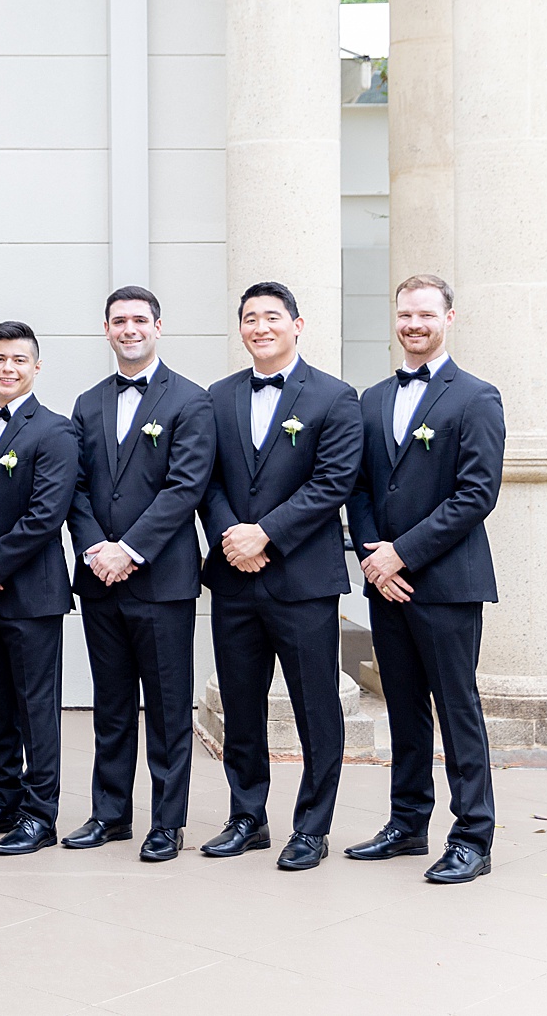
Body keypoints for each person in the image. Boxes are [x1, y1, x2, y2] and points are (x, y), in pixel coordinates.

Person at [345, 274, 505, 884]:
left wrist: (401, 554)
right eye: (405, 314)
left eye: (425, 314)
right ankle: (407, 823)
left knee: (457, 708)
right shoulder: (372, 398)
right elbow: (359, 488)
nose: (413, 324)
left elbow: (475, 495)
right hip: (384, 582)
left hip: (446, 583)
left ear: (449, 318)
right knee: (403, 708)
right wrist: (373, 558)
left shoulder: (477, 398)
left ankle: (472, 837)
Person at [197, 281, 361, 872]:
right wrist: (232, 537)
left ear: (298, 324)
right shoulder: (217, 398)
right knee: (240, 704)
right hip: (234, 577)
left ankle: (312, 827)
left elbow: (332, 482)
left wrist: (265, 534)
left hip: (303, 579)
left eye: (271, 317)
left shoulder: (336, 399)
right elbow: (206, 480)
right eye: (249, 318)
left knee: (316, 706)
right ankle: (248, 815)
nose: (260, 327)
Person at [64, 286, 216, 862]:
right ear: (107, 330)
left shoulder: (190, 401)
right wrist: (94, 549)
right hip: (100, 577)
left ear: (159, 326)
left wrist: (129, 550)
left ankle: (167, 822)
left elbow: (185, 487)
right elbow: (74, 489)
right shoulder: (87, 402)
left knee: (169, 706)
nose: (128, 329)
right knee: (112, 705)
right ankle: (110, 814)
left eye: (138, 320)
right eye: (118, 321)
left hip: (161, 579)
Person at [0, 322, 78, 856]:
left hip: (31, 594)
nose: (8, 369)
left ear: (36, 367)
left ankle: (39, 814)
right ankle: (4, 799)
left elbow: (45, 515)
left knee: (35, 707)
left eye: (19, 360)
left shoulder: (56, 431)